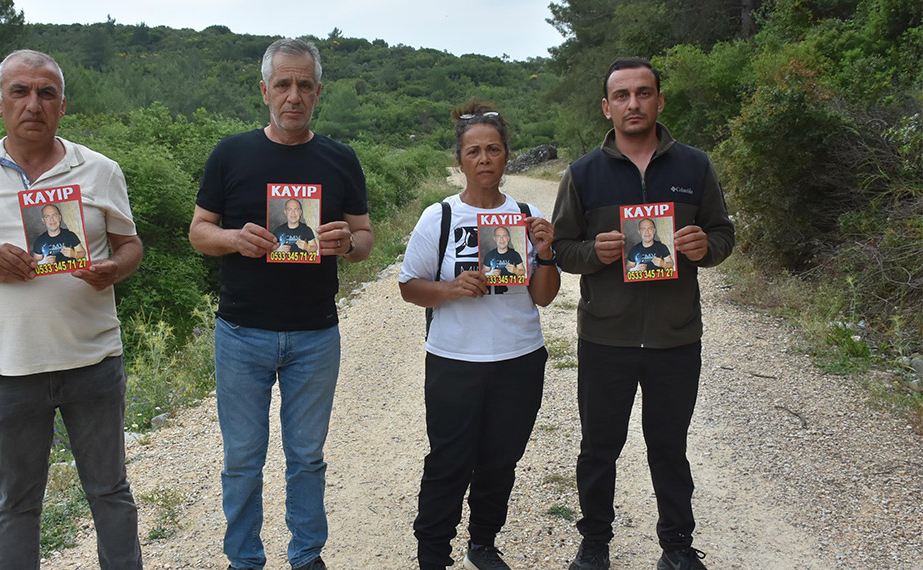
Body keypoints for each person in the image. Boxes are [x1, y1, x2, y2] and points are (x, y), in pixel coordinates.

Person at [0, 49, 144, 570]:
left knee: (110, 493)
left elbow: (130, 245)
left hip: (92, 362)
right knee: (16, 506)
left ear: (62, 105)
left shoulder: (100, 170)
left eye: (46, 93)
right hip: (8, 369)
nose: (33, 104)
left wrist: (116, 267)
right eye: (20, 92)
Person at [188, 37, 374, 570]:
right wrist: (233, 239)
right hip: (241, 332)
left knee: (307, 457)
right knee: (242, 459)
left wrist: (347, 244)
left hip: (316, 333)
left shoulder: (340, 159)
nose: (294, 95)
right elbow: (198, 231)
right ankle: (245, 559)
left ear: (319, 92)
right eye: (284, 84)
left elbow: (364, 238)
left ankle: (306, 555)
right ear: (265, 89)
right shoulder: (231, 153)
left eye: (305, 85)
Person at [551, 57, 735, 570]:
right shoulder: (583, 173)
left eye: (644, 93)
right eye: (623, 96)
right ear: (606, 107)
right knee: (598, 447)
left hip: (676, 336)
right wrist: (596, 253)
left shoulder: (695, 166)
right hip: (605, 336)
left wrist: (704, 246)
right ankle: (595, 544)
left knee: (669, 447)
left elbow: (724, 236)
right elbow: (562, 249)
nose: (634, 104)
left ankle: (676, 546)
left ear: (659, 99)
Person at [398, 101, 561, 570]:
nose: (484, 158)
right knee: (448, 463)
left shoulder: (527, 217)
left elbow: (544, 297)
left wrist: (546, 253)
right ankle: (433, 555)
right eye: (474, 151)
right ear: (460, 161)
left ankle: (483, 544)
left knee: (499, 462)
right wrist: (449, 289)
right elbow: (410, 287)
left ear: (507, 156)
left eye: (493, 149)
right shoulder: (440, 217)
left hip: (520, 357)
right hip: (454, 360)